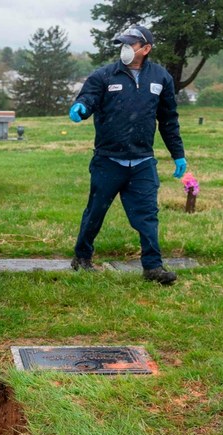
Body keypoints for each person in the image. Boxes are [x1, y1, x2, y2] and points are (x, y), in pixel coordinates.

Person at [67, 25, 186, 285]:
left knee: (147, 215)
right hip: (108, 160)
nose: (125, 48)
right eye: (123, 43)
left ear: (146, 49)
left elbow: (168, 120)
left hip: (142, 161)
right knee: (95, 211)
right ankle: (82, 257)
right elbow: (88, 98)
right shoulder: (104, 75)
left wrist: (178, 154)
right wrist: (80, 107)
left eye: (131, 44)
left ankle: (152, 267)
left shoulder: (161, 78)